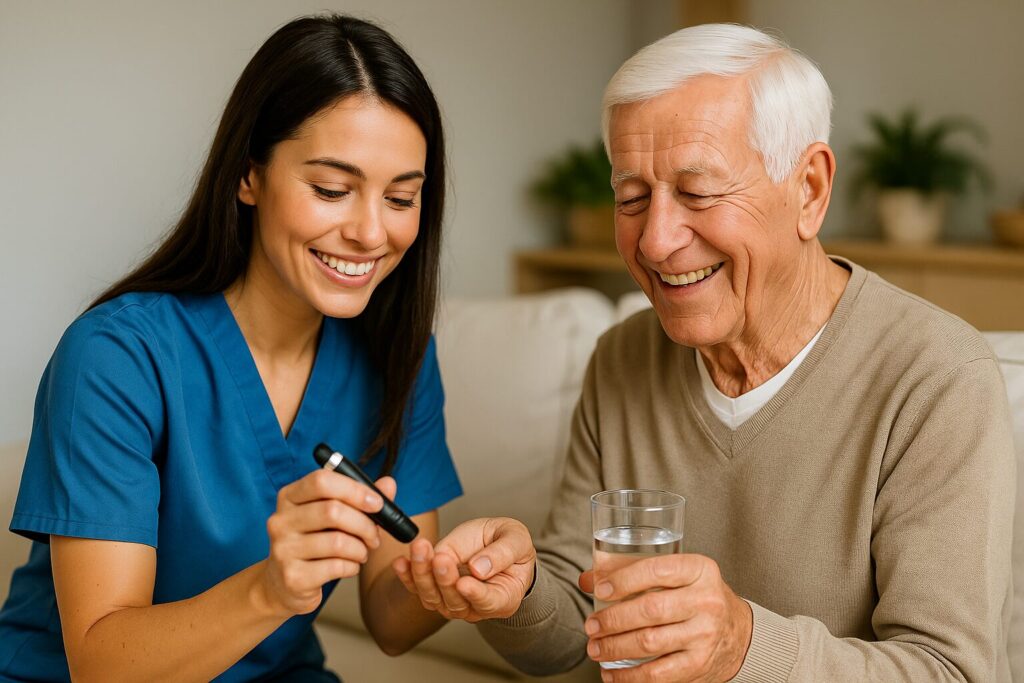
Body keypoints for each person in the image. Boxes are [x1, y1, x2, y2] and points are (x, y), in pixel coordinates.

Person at [392, 23, 1016, 682]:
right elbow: (579, 632)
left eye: (699, 193)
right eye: (632, 198)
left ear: (809, 190)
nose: (656, 241)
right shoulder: (622, 359)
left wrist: (745, 645)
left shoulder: (938, 377)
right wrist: (515, 594)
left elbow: (952, 670)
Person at [0, 14, 462, 682]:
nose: (370, 231)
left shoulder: (400, 353)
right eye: (332, 189)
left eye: (401, 197)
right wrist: (271, 588)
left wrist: (453, 580)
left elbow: (391, 621)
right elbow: (102, 664)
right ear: (249, 177)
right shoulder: (116, 357)